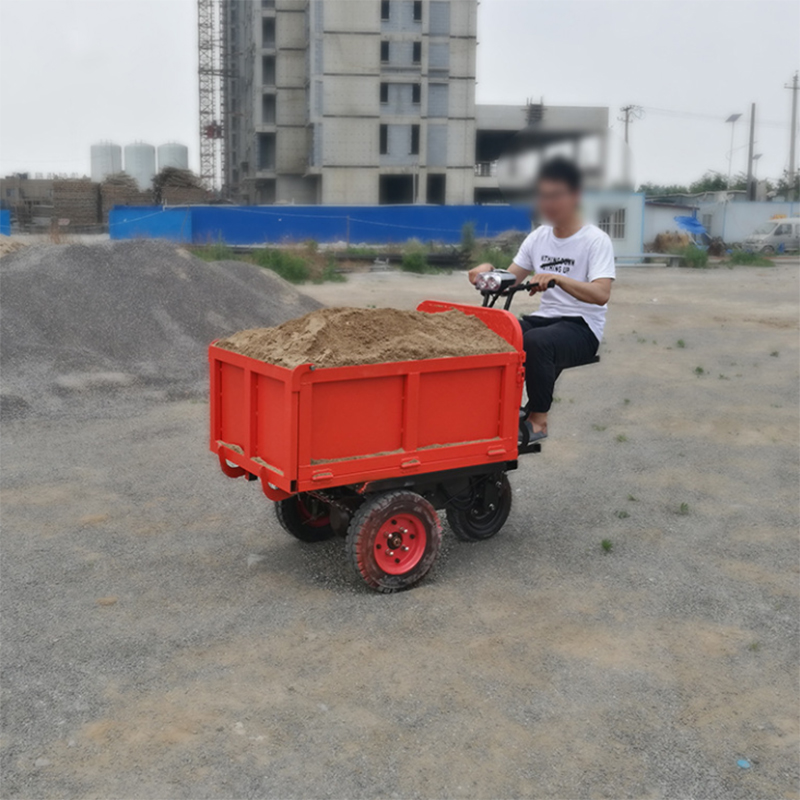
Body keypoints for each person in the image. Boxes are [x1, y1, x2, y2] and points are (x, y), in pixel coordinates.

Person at [468, 156, 615, 444]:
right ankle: (497, 410)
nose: (547, 203)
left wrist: (558, 279)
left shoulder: (595, 240)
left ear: (575, 196)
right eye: (542, 196)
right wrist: (485, 274)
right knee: (498, 333)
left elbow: (601, 294)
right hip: (546, 320)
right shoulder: (538, 238)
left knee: (537, 343)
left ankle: (538, 421)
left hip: (582, 326)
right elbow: (510, 281)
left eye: (555, 196)